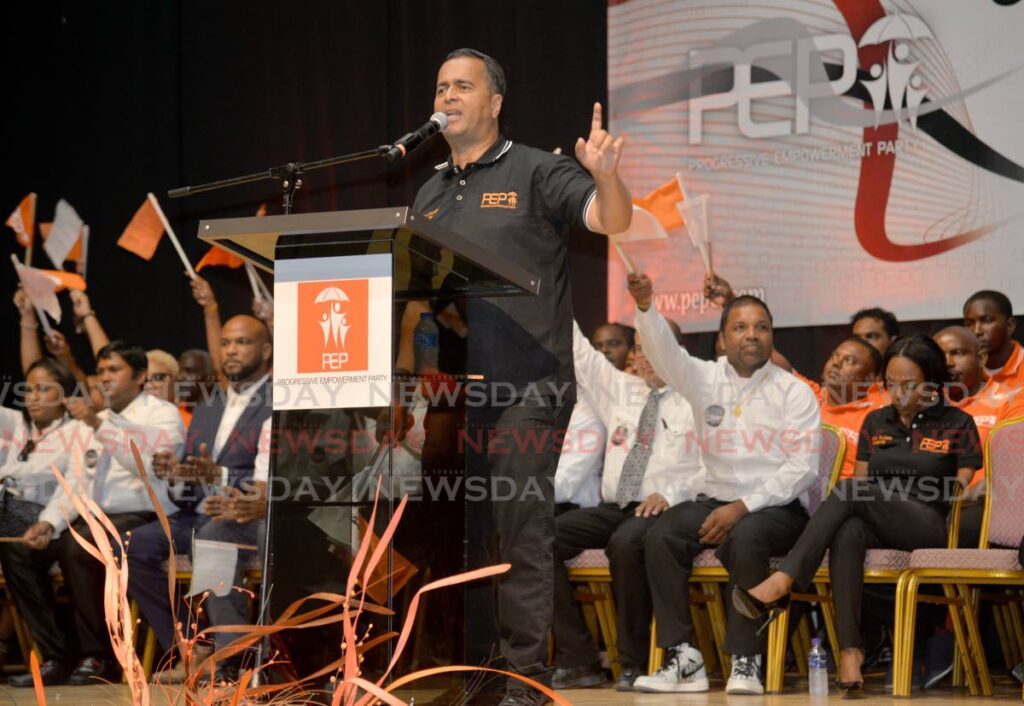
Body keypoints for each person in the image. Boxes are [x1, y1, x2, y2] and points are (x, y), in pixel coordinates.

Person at [409, 48, 631, 705]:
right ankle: (485, 670)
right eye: (442, 85)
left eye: (463, 86)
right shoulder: (428, 190)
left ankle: (525, 680)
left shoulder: (537, 170)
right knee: (475, 531)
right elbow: (419, 296)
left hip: (529, 381)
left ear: (495, 102)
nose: (448, 95)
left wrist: (607, 177)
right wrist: (421, 362)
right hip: (459, 394)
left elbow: (608, 220)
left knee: (520, 526)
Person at [736, 335, 982, 698]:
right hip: (876, 516)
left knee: (851, 491)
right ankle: (851, 652)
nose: (899, 393)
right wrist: (880, 500)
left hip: (931, 521)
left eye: (909, 385)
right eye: (892, 384)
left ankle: (784, 580)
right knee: (848, 529)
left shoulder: (958, 423)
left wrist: (912, 495)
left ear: (932, 382)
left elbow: (961, 491)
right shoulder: (876, 422)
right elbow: (865, 482)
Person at [627, 273, 821, 695]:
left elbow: (802, 469)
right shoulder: (702, 378)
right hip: (713, 499)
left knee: (747, 536)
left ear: (772, 336)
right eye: (740, 327)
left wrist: (742, 506)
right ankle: (683, 657)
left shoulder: (794, 392)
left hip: (778, 510)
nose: (752, 335)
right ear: (722, 338)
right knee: (661, 535)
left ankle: (746, 658)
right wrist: (646, 308)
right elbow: (664, 354)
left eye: (762, 327)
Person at [11, 341, 185, 686]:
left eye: (114, 370)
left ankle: (98, 656)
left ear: (139, 376)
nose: (105, 377)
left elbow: (147, 469)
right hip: (94, 517)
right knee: (18, 551)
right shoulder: (94, 420)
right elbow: (75, 482)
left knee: (79, 547)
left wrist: (97, 425)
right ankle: (56, 654)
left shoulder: (161, 413)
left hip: (144, 514)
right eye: (101, 370)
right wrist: (48, 522)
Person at [552, 322, 701, 692]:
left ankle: (631, 663)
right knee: (540, 537)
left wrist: (671, 492)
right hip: (615, 505)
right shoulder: (619, 389)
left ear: (677, 351)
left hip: (667, 507)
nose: (645, 357)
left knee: (626, 543)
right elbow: (580, 351)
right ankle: (579, 657)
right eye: (639, 348)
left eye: (655, 348)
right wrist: (550, 277)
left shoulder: (698, 395)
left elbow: (713, 465)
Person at [126, 316, 272, 667]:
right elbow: (190, 485)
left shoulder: (278, 403)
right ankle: (188, 645)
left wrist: (219, 475)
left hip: (249, 516)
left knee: (213, 538)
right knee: (131, 546)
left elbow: (271, 481)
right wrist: (176, 475)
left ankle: (232, 658)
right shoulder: (209, 406)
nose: (231, 350)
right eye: (225, 343)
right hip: (197, 513)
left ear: (266, 350)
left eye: (242, 342)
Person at [0, 359, 80, 686]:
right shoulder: (18, 426)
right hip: (7, 511)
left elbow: (74, 486)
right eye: (29, 389)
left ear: (63, 395)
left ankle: (56, 656)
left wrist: (48, 523)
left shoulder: (77, 430)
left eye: (43, 389)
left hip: (44, 516)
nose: (32, 397)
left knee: (16, 552)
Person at [934, 326, 1024, 548]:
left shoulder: (1011, 400)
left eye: (957, 353)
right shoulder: (923, 404)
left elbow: (1012, 472)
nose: (947, 362)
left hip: (984, 504)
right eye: (938, 356)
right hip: (926, 506)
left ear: (981, 358)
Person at [794, 338, 884, 479]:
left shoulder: (878, 414)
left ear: (870, 378)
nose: (836, 363)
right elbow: (773, 362)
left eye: (850, 360)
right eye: (834, 356)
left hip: (847, 497)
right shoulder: (810, 396)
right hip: (797, 493)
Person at [963, 290, 1023, 389]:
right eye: (969, 323)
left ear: (1009, 325)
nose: (977, 331)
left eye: (986, 321)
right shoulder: (962, 371)